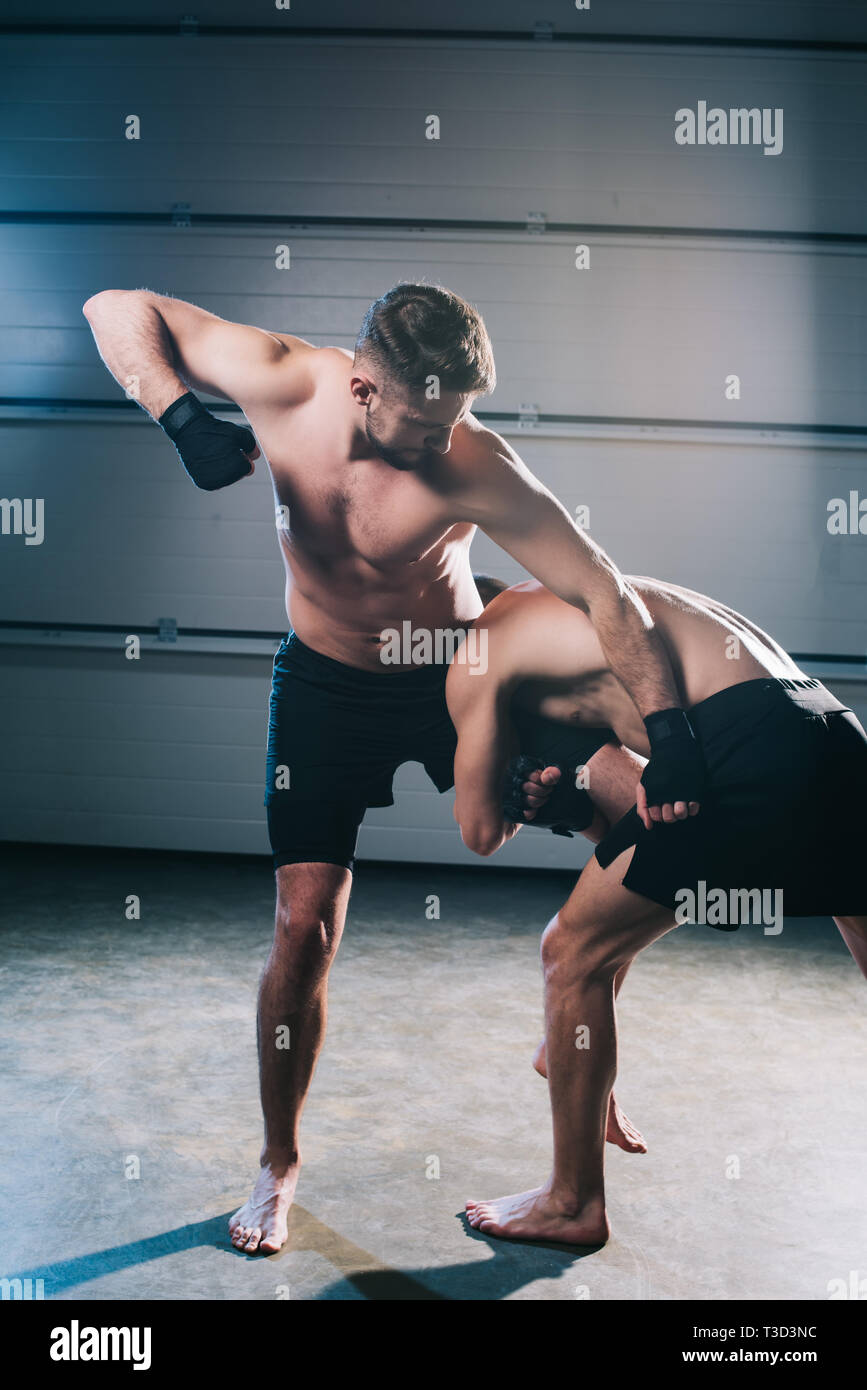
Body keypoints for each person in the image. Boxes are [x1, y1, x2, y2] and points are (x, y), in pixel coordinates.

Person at [83, 281, 703, 1255]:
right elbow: (117, 308)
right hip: (326, 688)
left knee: (635, 805)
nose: (437, 447)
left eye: (453, 423)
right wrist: (177, 415)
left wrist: (675, 734)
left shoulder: (472, 460)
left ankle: (580, 1027)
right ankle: (278, 1162)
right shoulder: (284, 382)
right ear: (365, 388)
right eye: (422, 426)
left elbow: (605, 589)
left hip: (456, 672)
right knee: (303, 925)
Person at [445, 575, 867, 1244]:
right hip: (833, 738)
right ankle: (574, 1061)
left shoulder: (476, 652)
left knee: (570, 953)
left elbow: (480, 835)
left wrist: (504, 789)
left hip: (748, 756)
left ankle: (571, 1204)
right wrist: (570, 803)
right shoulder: (577, 607)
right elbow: (639, 835)